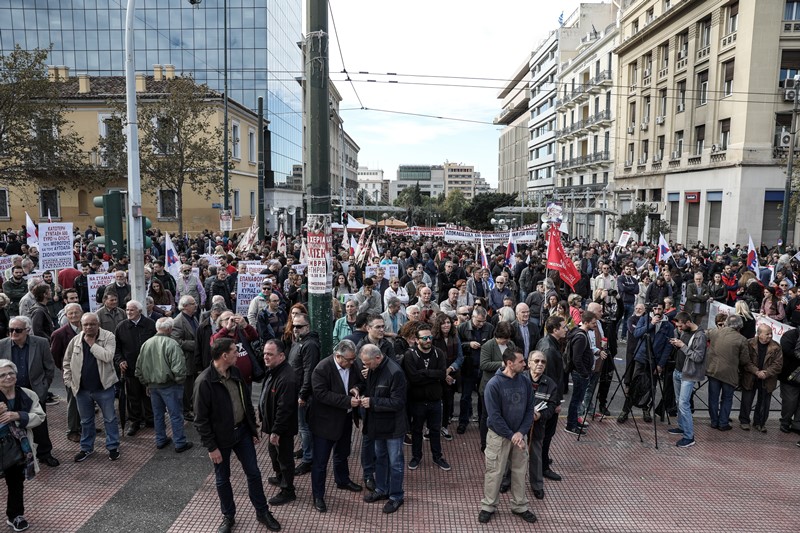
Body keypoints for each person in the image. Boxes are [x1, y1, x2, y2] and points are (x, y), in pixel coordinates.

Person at [194, 338, 281, 533]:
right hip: (220, 440)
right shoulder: (204, 382)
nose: (238, 354)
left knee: (254, 473)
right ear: (224, 355)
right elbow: (200, 420)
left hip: (241, 433)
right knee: (222, 479)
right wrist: (211, 447)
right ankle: (228, 516)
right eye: (234, 351)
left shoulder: (235, 372)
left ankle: (262, 511)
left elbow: (246, 403)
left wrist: (252, 429)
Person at [478, 349, 536, 525]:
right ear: (509, 363)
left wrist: (521, 432)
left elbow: (529, 409)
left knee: (519, 472)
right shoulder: (494, 384)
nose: (525, 364)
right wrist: (513, 435)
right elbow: (494, 417)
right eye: (521, 362)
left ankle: (520, 506)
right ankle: (488, 506)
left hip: (519, 436)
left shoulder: (525, 382)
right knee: (494, 472)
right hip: (499, 437)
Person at [308, 340, 363, 513]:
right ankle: (318, 495)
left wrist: (355, 388)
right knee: (320, 462)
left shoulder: (351, 365)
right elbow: (321, 394)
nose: (352, 363)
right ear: (338, 356)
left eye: (353, 359)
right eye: (348, 360)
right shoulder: (322, 369)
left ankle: (343, 480)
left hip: (345, 419)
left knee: (342, 453)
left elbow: (360, 382)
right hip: (325, 423)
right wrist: (348, 401)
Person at [0, 316, 58, 467]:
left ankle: (45, 454)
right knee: (10, 424)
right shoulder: (2, 345)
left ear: (27, 330)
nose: (13, 333)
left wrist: (43, 388)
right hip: (9, 392)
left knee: (39, 424)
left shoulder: (41, 343)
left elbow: (49, 367)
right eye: (10, 330)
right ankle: (14, 455)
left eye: (18, 330)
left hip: (34, 392)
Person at [62, 313, 120, 463]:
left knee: (110, 419)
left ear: (98, 324)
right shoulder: (75, 340)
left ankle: (113, 447)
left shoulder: (108, 337)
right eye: (86, 324)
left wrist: (92, 344)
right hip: (82, 390)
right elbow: (66, 362)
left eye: (92, 324)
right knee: (86, 421)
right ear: (81, 325)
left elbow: (108, 356)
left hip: (104, 388)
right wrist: (69, 382)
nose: (89, 327)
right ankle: (86, 447)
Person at [358, 344, 407, 514]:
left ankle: (396, 496)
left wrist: (372, 402)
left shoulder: (395, 372)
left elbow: (398, 402)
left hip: (393, 426)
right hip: (377, 424)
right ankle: (381, 489)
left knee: (395, 463)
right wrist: (360, 390)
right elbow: (372, 390)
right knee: (380, 458)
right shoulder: (374, 369)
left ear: (377, 358)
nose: (365, 366)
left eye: (367, 363)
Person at [0, 359, 46, 533]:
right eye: (2, 375)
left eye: (11, 373)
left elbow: (39, 416)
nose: (8, 377)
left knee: (16, 484)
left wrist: (17, 415)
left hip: (18, 448)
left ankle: (15, 516)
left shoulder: (27, 394)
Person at [135, 317, 192, 453]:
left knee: (158, 414)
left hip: (153, 385)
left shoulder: (146, 344)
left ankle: (160, 439)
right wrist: (179, 381)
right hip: (170, 385)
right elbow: (179, 368)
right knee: (176, 415)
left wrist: (146, 383)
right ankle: (179, 442)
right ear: (169, 329)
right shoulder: (172, 344)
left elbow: (139, 368)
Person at [402, 322, 451, 472]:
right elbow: (413, 378)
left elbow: (442, 374)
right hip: (417, 401)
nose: (428, 340)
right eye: (424, 338)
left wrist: (423, 372)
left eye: (429, 337)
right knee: (416, 431)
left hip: (435, 401)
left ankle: (438, 457)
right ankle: (416, 457)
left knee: (435, 430)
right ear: (417, 340)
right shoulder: (409, 355)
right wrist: (432, 374)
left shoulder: (439, 353)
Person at [618, 302, 675, 424]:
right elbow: (637, 333)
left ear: (664, 309)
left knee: (651, 387)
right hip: (641, 357)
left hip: (655, 360)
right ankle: (625, 410)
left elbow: (668, 347)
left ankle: (646, 410)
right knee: (635, 384)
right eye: (655, 308)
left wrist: (661, 364)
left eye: (660, 308)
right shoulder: (644, 319)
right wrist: (651, 324)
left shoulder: (668, 326)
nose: (657, 311)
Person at [258, 339, 298, 507]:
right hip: (273, 426)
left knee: (284, 458)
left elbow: (285, 409)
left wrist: (276, 431)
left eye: (270, 354)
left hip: (282, 429)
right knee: (274, 454)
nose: (265, 357)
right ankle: (281, 477)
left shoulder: (287, 378)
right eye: (265, 353)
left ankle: (288, 490)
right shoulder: (273, 371)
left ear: (281, 356)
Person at [114, 300, 157, 436]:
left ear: (139, 311)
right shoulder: (121, 327)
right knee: (132, 396)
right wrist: (120, 360)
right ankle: (135, 421)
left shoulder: (150, 325)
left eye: (131, 310)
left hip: (149, 369)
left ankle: (151, 419)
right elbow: (117, 349)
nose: (128, 312)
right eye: (127, 310)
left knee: (149, 394)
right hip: (130, 369)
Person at [286, 313, 320, 476]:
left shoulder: (310, 345)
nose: (295, 329)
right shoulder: (299, 342)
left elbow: (309, 371)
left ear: (307, 327)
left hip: (302, 392)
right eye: (294, 326)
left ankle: (308, 459)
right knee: (302, 427)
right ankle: (306, 452)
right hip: (295, 390)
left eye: (299, 326)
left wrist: (303, 394)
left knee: (305, 427)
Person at [667, 312, 707, 448]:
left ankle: (689, 437)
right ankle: (682, 427)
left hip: (688, 374)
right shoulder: (685, 332)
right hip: (678, 371)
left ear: (688, 322)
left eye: (681, 326)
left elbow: (698, 357)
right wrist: (677, 344)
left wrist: (682, 346)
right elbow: (683, 350)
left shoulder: (700, 336)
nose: (679, 329)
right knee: (679, 401)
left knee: (684, 404)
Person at [479, 321, 516, 449]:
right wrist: (502, 364)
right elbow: (484, 365)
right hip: (490, 386)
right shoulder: (488, 346)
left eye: (508, 338)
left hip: (507, 388)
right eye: (503, 339)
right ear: (497, 335)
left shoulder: (511, 345)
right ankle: (484, 444)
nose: (506, 341)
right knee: (487, 417)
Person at [456, 306, 493, 435]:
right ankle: (463, 422)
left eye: (483, 321)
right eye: (478, 321)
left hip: (484, 368)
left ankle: (482, 422)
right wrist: (468, 344)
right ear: (472, 318)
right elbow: (456, 346)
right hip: (468, 367)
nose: (481, 324)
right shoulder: (462, 328)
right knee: (466, 397)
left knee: (483, 397)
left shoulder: (489, 327)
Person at [526, 349, 558, 500]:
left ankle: (537, 486)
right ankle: (507, 480)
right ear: (529, 363)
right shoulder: (520, 379)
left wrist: (540, 415)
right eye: (536, 361)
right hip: (518, 424)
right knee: (513, 453)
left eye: (543, 362)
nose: (540, 364)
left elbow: (552, 407)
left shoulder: (550, 384)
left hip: (538, 424)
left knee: (536, 455)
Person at [739, 324, 783, 432]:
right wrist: (756, 371)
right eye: (767, 333)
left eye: (771, 333)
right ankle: (744, 421)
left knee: (764, 402)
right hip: (751, 377)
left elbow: (778, 364)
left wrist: (766, 373)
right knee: (747, 400)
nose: (770, 336)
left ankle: (760, 423)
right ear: (759, 334)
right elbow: (745, 361)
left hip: (767, 379)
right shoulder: (749, 343)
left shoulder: (776, 346)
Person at [50, 303, 83, 442]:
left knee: (87, 400)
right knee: (73, 402)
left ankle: (84, 425)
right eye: (71, 313)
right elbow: (56, 356)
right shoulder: (59, 334)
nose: (74, 316)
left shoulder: (88, 327)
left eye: (76, 312)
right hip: (71, 373)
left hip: (88, 371)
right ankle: (73, 430)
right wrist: (65, 369)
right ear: (66, 316)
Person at [431, 312, 463, 440]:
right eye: (443, 323)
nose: (446, 325)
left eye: (448, 322)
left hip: (452, 373)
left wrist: (450, 369)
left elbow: (460, 357)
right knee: (434, 402)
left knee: (448, 401)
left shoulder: (455, 336)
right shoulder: (433, 338)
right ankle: (431, 427)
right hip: (436, 376)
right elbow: (432, 358)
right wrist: (444, 374)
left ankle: (444, 427)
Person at [564, 311, 597, 436]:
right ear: (586, 322)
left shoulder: (581, 334)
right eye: (593, 323)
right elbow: (576, 358)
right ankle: (571, 425)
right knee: (576, 400)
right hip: (579, 374)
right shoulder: (581, 337)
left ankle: (573, 422)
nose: (595, 325)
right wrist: (584, 373)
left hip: (580, 373)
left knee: (577, 399)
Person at [170, 296, 199, 421]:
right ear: (185, 306)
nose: (196, 305)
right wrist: (196, 345)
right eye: (193, 303)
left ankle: (192, 407)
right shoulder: (178, 321)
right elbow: (176, 341)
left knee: (193, 384)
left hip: (194, 359)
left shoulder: (194, 318)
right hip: (186, 359)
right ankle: (186, 410)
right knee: (187, 387)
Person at [778, 326, 800, 434]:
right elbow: (787, 350)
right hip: (789, 375)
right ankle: (785, 422)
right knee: (790, 401)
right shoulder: (790, 335)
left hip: (793, 374)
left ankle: (797, 424)